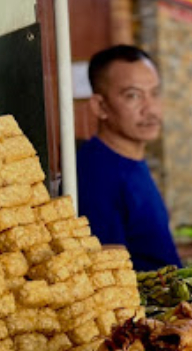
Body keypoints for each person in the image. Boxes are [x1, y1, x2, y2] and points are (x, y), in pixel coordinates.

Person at [77, 44, 182, 271]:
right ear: (100, 106)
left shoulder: (131, 160)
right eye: (133, 96)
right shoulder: (95, 174)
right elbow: (109, 275)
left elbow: (144, 252)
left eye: (155, 93)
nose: (150, 109)